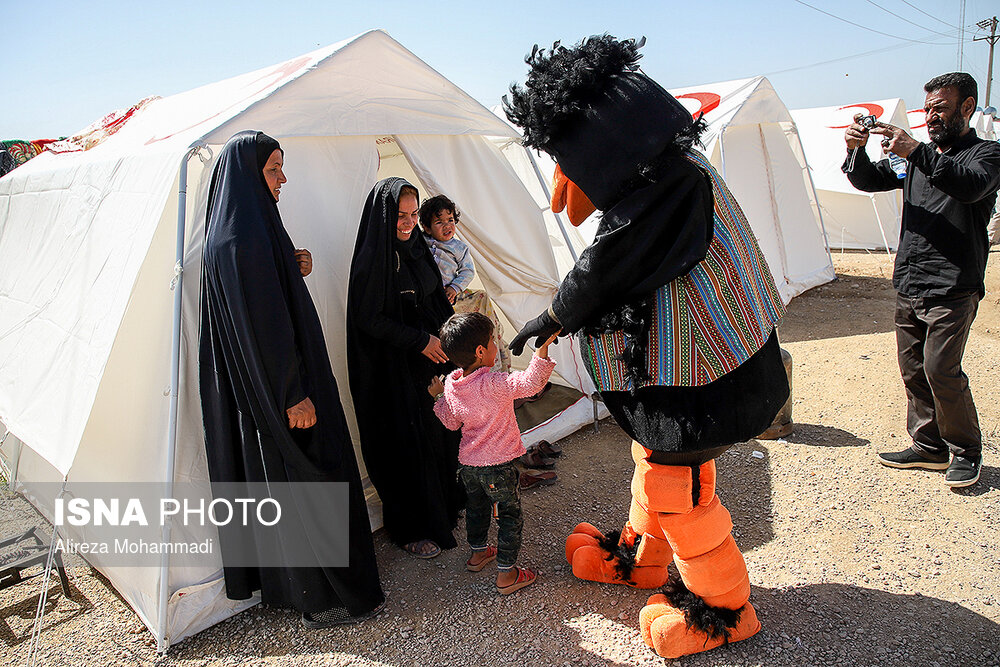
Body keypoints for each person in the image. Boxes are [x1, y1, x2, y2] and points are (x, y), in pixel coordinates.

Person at [504, 35, 788, 659]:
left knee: (674, 481)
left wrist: (554, 313)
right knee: (660, 461)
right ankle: (641, 561)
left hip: (710, 377)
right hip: (691, 378)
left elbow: (607, 266)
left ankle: (722, 607)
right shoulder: (670, 171)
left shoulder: (672, 189)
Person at [199, 130, 385, 628]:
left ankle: (306, 588)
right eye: (274, 169)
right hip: (289, 391)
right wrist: (293, 395)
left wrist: (291, 264)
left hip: (273, 391)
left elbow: (261, 300)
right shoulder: (244, 240)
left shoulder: (243, 231)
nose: (284, 179)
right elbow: (267, 328)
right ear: (248, 175)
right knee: (308, 481)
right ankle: (326, 595)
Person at [843, 72, 1000, 488]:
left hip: (953, 285)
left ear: (967, 108)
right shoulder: (918, 157)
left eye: (940, 108)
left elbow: (968, 187)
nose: (930, 115)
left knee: (941, 369)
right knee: (913, 369)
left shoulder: (986, 155)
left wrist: (914, 150)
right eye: (927, 108)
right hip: (911, 281)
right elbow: (868, 180)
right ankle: (929, 446)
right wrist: (854, 151)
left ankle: (966, 451)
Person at [346, 177, 463, 559]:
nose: (408, 222)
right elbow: (368, 319)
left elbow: (434, 300)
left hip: (427, 364)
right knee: (405, 446)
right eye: (400, 215)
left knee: (438, 436)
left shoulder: (417, 249)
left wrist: (450, 341)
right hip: (391, 371)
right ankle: (410, 527)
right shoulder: (372, 260)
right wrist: (420, 341)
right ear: (384, 217)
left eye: (414, 214)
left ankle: (442, 509)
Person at [429, 313, 556, 594]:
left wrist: (439, 398)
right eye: (492, 340)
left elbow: (451, 423)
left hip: (468, 467)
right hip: (498, 467)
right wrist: (542, 351)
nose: (496, 344)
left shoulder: (451, 384)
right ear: (480, 351)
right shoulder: (495, 383)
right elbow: (531, 384)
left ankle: (477, 554)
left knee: (476, 509)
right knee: (509, 516)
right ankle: (507, 574)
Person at [419, 195, 512, 372]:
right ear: (427, 228)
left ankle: (492, 346)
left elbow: (468, 271)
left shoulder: (459, 248)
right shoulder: (422, 243)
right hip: (431, 295)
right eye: (439, 222)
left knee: (481, 298)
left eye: (450, 220)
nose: (447, 226)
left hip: (453, 293)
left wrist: (455, 287)